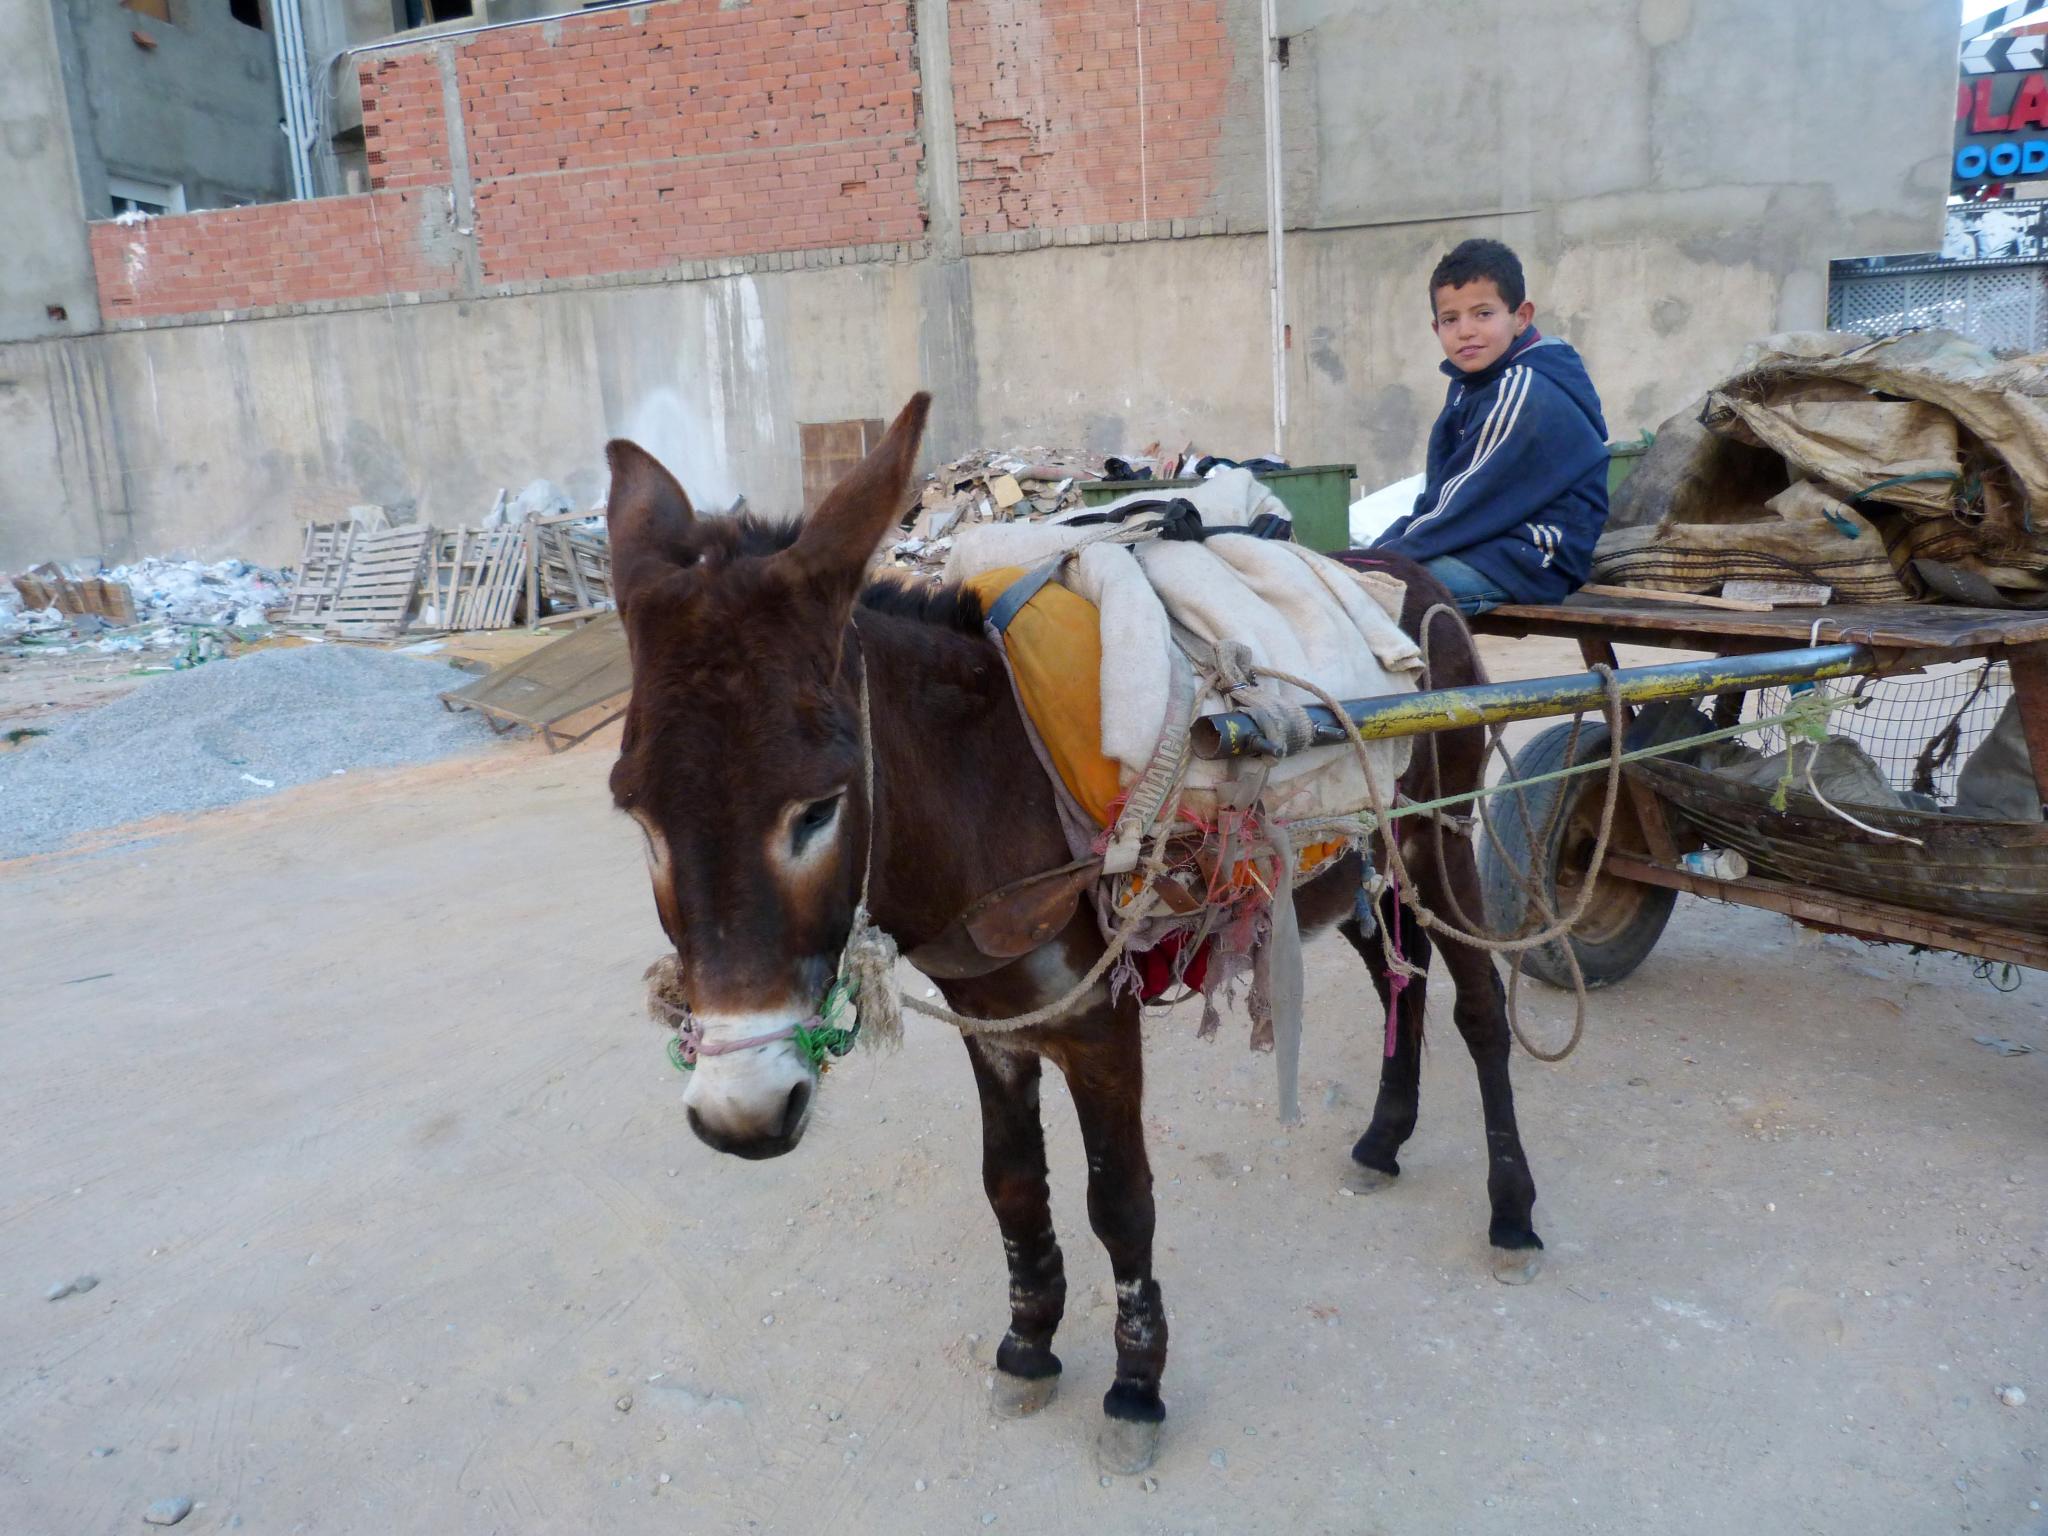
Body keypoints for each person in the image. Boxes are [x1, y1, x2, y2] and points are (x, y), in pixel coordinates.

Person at [1372, 238, 1610, 615]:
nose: (1465, 331)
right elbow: (1441, 495)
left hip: (1529, 560)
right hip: (1484, 544)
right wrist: (1368, 556)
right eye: (1451, 319)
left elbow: (1462, 502)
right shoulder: (1473, 384)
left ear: (1521, 316)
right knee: (1360, 577)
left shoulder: (1523, 389)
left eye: (1483, 314)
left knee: (1372, 592)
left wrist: (1374, 561)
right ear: (1436, 328)